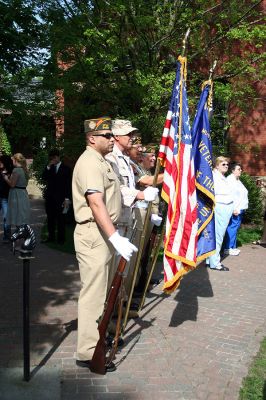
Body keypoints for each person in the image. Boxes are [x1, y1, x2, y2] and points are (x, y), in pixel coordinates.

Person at [72, 117, 137, 373]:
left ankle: (98, 339)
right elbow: (96, 203)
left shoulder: (102, 162)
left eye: (112, 136)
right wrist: (114, 236)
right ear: (92, 138)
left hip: (104, 233)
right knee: (94, 294)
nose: (112, 139)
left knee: (105, 292)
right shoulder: (89, 162)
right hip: (94, 234)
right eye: (107, 136)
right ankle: (88, 352)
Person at [106, 120, 159, 313]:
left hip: (128, 220)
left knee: (125, 270)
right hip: (117, 221)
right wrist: (140, 194)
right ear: (116, 137)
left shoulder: (126, 160)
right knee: (115, 272)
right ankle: (109, 315)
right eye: (128, 134)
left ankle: (119, 309)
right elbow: (116, 188)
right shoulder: (111, 159)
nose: (132, 138)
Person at [206, 156, 234, 271]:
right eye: (223, 164)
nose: (226, 166)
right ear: (217, 165)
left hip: (225, 207)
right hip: (221, 207)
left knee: (216, 235)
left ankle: (210, 260)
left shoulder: (222, 177)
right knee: (218, 235)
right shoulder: (215, 176)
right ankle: (215, 263)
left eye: (227, 164)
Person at [42, 149, 72, 244]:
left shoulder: (66, 168)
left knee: (61, 220)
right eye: (51, 158)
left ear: (58, 157)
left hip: (61, 198)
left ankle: (61, 239)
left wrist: (67, 199)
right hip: (50, 198)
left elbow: (68, 185)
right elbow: (44, 177)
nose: (53, 159)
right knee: (50, 219)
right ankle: (51, 237)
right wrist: (48, 166)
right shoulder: (49, 168)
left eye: (55, 157)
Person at [224, 162, 248, 255]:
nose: (241, 170)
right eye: (238, 169)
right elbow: (230, 196)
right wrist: (234, 208)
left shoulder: (237, 180)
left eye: (241, 169)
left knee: (234, 227)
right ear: (233, 170)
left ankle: (232, 247)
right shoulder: (230, 180)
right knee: (232, 228)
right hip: (235, 209)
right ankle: (228, 248)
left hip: (240, 208)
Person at [4, 153, 30, 228]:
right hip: (23, 193)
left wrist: (6, 178)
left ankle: (18, 237)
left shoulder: (16, 170)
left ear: (16, 160)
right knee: (21, 215)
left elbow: (12, 185)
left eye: (13, 160)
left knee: (16, 215)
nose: (12, 162)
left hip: (16, 194)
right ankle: (23, 235)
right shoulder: (24, 170)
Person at [0, 155, 13, 242]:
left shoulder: (11, 172)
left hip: (5, 197)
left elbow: (12, 185)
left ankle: (7, 236)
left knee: (6, 217)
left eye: (1, 161)